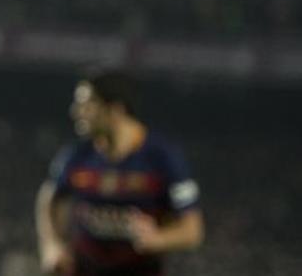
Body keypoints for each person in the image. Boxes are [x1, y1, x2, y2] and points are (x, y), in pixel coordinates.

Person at [36, 69, 204, 276]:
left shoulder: (163, 158)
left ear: (115, 109)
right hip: (86, 268)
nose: (76, 111)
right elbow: (50, 197)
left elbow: (192, 231)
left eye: (87, 104)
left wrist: (158, 239)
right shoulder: (77, 155)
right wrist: (53, 245)